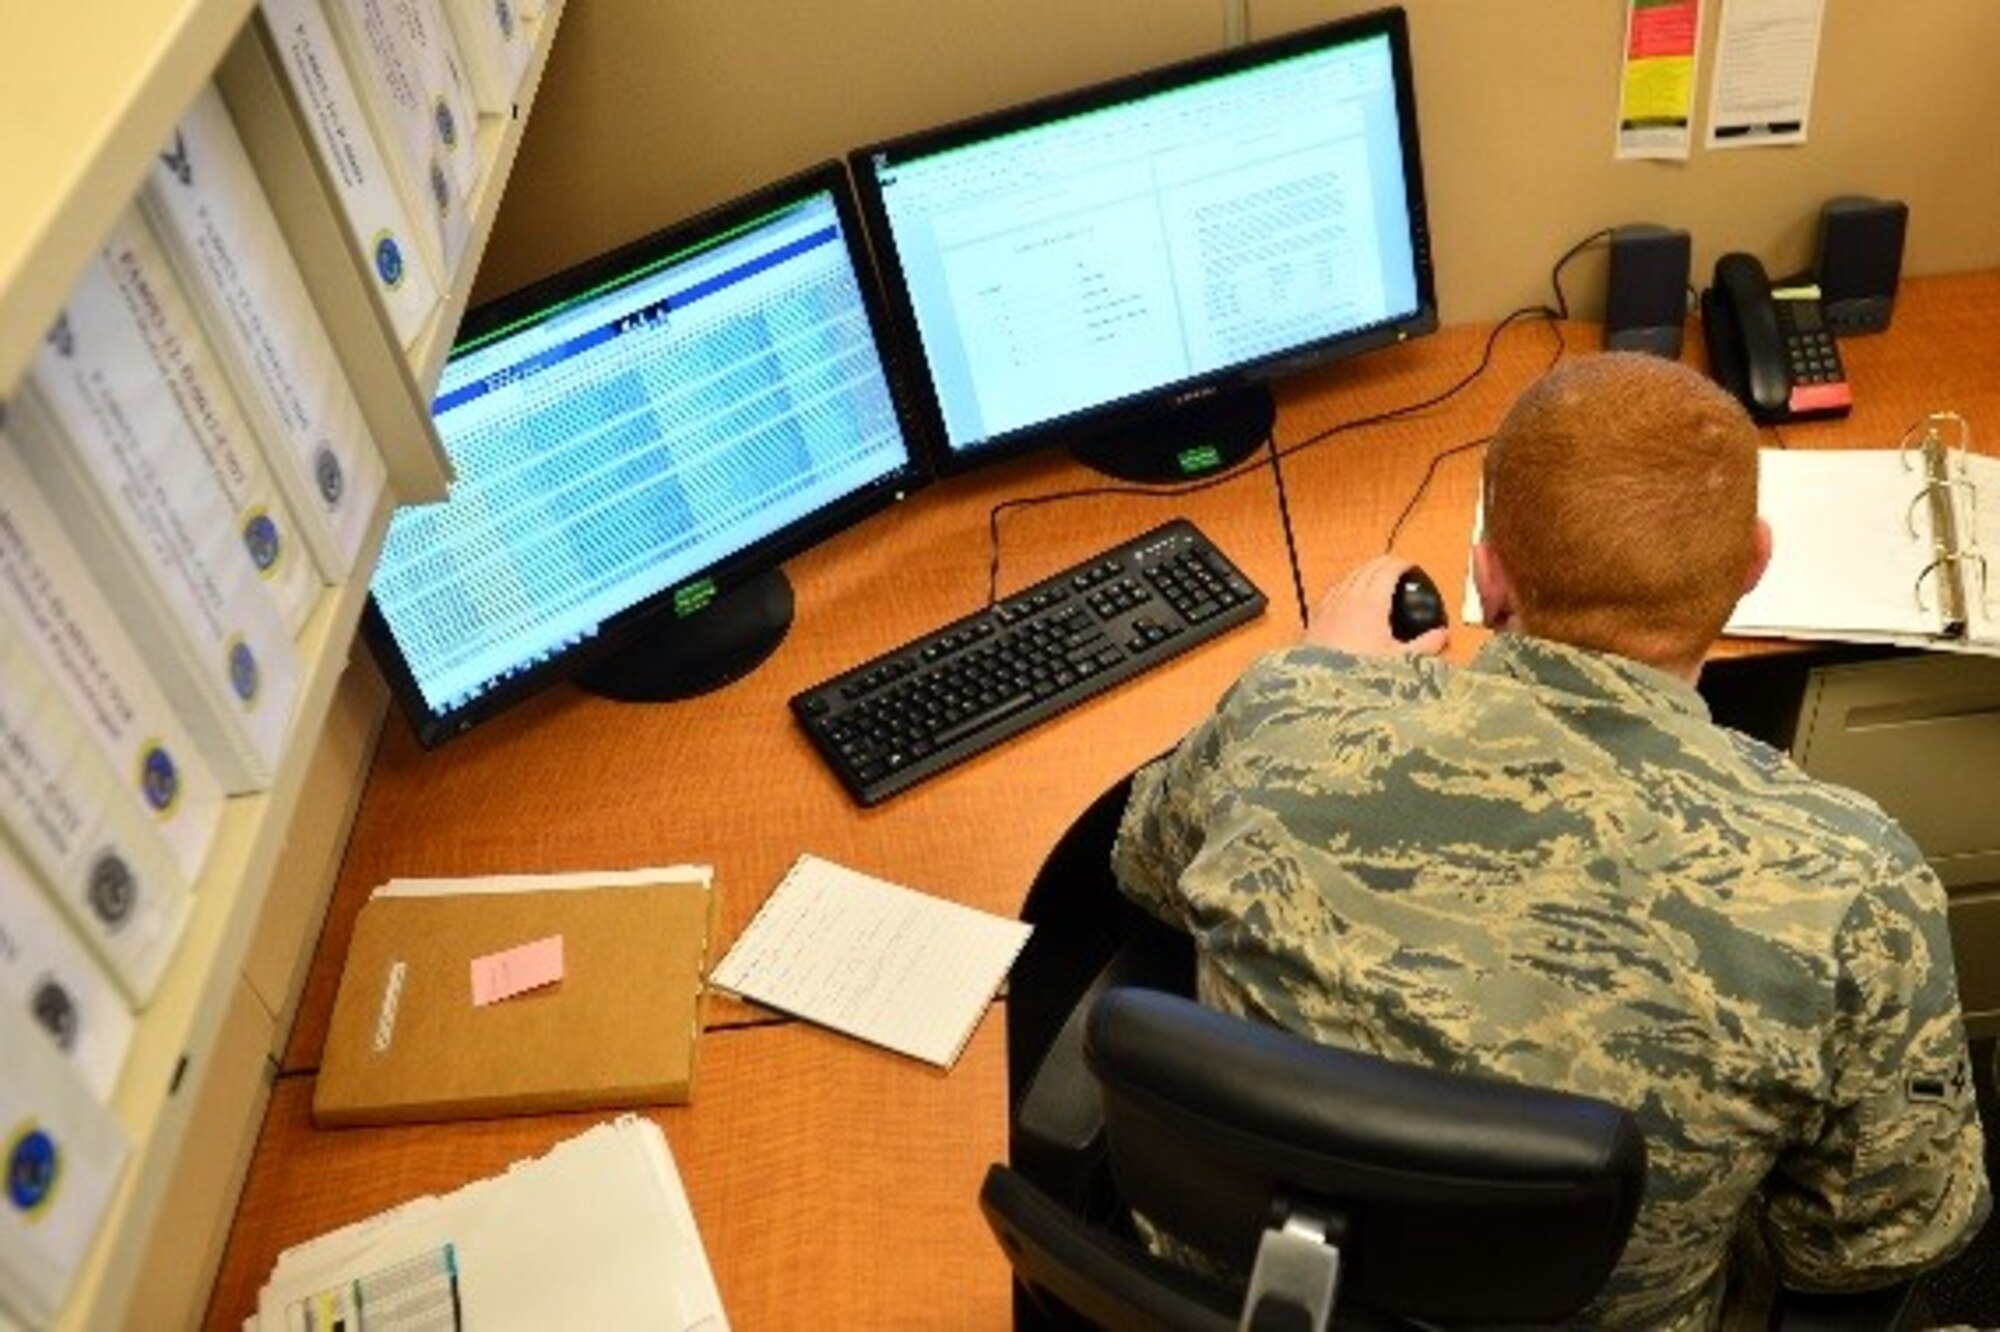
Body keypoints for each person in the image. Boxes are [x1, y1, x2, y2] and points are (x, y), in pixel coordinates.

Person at [1109, 352, 1991, 1330]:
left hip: (1247, 1291)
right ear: (1750, 565)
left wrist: (1319, 681)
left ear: (1485, 573)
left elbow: (1145, 867)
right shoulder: (1852, 884)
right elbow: (1873, 1245)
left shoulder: (1288, 709)